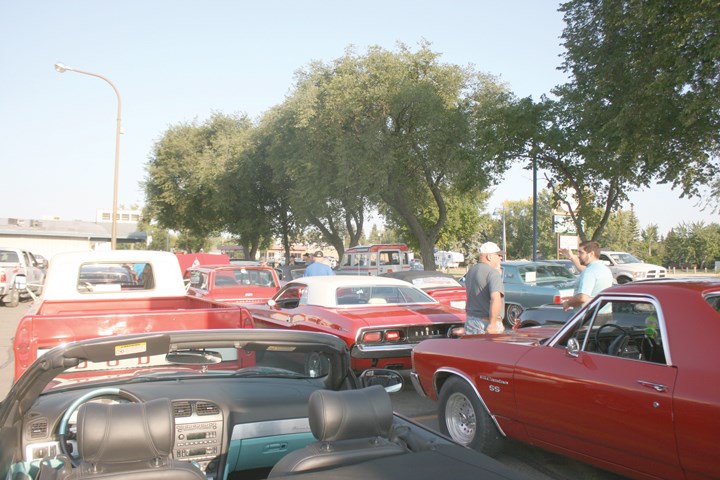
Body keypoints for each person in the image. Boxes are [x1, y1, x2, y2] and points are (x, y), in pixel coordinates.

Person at [464, 242, 505, 334]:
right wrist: (493, 324)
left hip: (471, 321)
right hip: (486, 323)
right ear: (489, 257)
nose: (500, 258)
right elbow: (495, 299)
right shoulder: (493, 273)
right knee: (492, 349)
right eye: (498, 255)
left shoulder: (471, 271)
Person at [561, 240, 613, 310]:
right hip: (604, 313)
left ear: (591, 254)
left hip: (588, 317)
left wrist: (568, 303)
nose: (578, 256)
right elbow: (584, 271)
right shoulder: (604, 269)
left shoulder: (589, 272)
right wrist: (572, 257)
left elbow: (582, 298)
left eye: (581, 252)